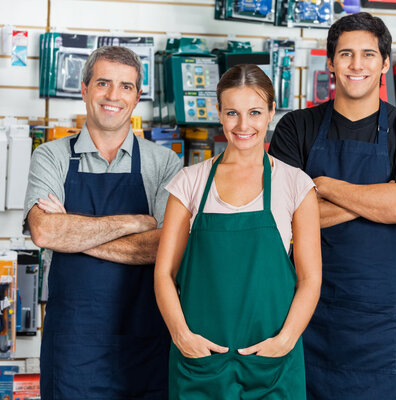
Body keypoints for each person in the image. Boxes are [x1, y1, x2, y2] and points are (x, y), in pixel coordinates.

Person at [269, 12, 396, 400]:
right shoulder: (297, 127)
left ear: (385, 63)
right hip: (308, 316)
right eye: (345, 54)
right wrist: (382, 195)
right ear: (330, 62)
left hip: (383, 328)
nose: (357, 65)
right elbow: (283, 220)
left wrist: (324, 188)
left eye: (368, 54)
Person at [155, 64, 322, 399]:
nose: (244, 125)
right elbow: (163, 273)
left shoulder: (295, 184)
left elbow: (311, 279)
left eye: (255, 112)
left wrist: (286, 340)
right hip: (201, 363)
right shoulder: (189, 182)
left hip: (271, 364)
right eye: (232, 112)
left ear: (272, 112)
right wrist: (181, 335)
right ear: (218, 112)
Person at [24, 46, 181, 399]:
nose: (113, 96)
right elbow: (45, 230)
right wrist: (135, 222)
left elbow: (161, 247)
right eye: (103, 83)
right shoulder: (51, 156)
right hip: (73, 351)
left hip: (145, 344)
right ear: (84, 89)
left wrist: (74, 235)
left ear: (138, 96)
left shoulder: (164, 162)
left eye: (125, 87)